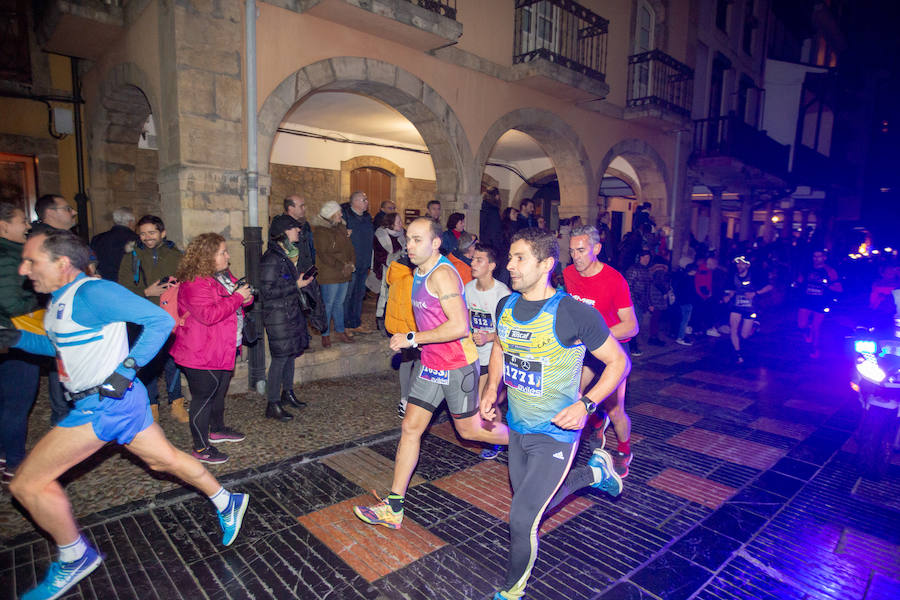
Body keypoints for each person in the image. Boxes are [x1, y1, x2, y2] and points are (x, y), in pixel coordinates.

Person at [1, 230, 248, 599]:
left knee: (27, 484)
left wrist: (126, 369)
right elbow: (59, 346)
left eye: (32, 261)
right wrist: (16, 339)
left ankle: (73, 557)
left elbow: (160, 321)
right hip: (112, 403)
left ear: (62, 263)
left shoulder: (94, 292)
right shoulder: (58, 300)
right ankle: (228, 501)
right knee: (165, 462)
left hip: (105, 404)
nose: (24, 269)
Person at [484, 228, 629, 600]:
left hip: (556, 433)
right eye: (510, 257)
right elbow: (500, 348)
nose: (510, 266)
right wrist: (491, 389)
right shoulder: (506, 305)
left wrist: (586, 404)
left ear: (546, 264)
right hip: (517, 427)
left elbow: (618, 363)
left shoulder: (573, 313)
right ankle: (596, 472)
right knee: (536, 499)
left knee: (521, 518)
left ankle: (510, 593)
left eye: (520, 259)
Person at [353, 217, 510, 528]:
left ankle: (530, 440)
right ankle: (394, 506)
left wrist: (412, 338)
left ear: (436, 243)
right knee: (410, 428)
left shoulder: (443, 275)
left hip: (456, 366)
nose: (409, 245)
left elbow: (458, 326)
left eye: (416, 240)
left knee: (470, 431)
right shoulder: (418, 272)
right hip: (430, 365)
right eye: (408, 239)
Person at [171, 233, 253, 464]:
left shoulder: (221, 276)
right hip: (199, 351)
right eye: (222, 252)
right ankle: (201, 448)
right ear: (207, 257)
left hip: (223, 347)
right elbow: (208, 315)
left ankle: (216, 430)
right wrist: (238, 297)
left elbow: (240, 299)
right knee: (204, 397)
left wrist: (244, 296)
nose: (228, 255)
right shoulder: (194, 282)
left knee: (219, 391)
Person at [564, 225, 639, 476]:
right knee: (571, 395)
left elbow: (631, 326)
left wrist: (594, 337)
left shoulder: (614, 279)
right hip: (584, 352)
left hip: (612, 354)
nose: (576, 256)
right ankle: (589, 426)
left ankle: (624, 449)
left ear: (596, 249)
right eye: (572, 251)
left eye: (582, 250)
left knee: (616, 409)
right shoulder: (568, 274)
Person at [118, 215, 187, 423]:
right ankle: (151, 407)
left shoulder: (176, 255)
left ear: (162, 233)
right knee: (146, 362)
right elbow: (122, 288)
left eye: (152, 232)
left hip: (170, 317)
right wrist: (146, 292)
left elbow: (187, 282)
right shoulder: (131, 257)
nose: (147, 237)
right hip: (143, 318)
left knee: (173, 361)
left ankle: (177, 404)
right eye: (143, 233)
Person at [0, 201, 41, 484]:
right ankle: (14, 463)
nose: (27, 226)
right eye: (21, 221)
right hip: (15, 335)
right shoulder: (7, 257)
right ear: (3, 226)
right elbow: (11, 302)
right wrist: (38, 301)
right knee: (16, 401)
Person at [260, 216, 315, 421]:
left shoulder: (285, 254)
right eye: (294, 228)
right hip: (277, 316)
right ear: (284, 231)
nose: (298, 231)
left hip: (289, 312)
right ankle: (272, 404)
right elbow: (266, 291)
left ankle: (287, 393)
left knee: (290, 354)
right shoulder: (271, 258)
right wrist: (296, 285)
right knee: (280, 358)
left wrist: (299, 282)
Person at [464, 243, 510, 460]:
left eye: (479, 260)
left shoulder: (502, 293)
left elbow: (509, 331)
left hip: (495, 356)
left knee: (486, 400)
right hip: (474, 355)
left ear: (491, 265)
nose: (473, 263)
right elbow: (465, 320)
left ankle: (499, 440)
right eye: (473, 259)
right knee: (483, 400)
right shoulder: (468, 289)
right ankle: (502, 436)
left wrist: (488, 337)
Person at [312, 201, 356, 347]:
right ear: (330, 214)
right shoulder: (320, 231)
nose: (341, 214)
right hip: (329, 272)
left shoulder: (341, 227)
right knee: (328, 304)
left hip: (344, 271)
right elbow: (324, 253)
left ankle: (340, 330)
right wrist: (342, 265)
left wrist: (351, 262)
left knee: (339, 303)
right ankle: (325, 333)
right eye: (338, 212)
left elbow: (349, 247)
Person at [383, 254, 418, 419]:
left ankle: (405, 399)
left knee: (406, 362)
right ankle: (408, 400)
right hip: (410, 330)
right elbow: (409, 309)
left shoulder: (397, 273)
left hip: (398, 327)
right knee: (418, 363)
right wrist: (416, 333)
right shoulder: (409, 278)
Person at [723, 255, 772, 364]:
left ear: (747, 265)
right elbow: (731, 290)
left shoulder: (755, 277)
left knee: (744, 335)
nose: (739, 265)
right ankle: (738, 353)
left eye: (742, 263)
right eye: (738, 263)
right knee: (733, 329)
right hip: (736, 306)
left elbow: (769, 287)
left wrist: (755, 293)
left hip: (749, 308)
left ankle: (755, 326)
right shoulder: (733, 276)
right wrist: (728, 296)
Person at [797, 249, 841, 358]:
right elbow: (799, 281)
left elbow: (838, 287)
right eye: (814, 256)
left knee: (816, 327)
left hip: (821, 302)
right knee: (801, 324)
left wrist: (828, 287)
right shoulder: (807, 269)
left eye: (819, 256)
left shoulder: (830, 271)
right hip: (806, 300)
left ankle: (814, 348)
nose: (816, 259)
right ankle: (807, 331)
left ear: (824, 258)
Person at [342, 191, 374, 333]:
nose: (366, 202)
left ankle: (356, 323)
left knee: (359, 295)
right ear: (353, 202)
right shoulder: (346, 217)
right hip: (351, 263)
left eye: (366, 200)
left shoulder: (367, 218)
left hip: (364, 262)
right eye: (363, 200)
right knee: (348, 295)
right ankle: (344, 325)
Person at [373, 212, 406, 332]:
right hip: (385, 270)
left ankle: (393, 321)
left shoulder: (402, 234)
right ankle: (381, 320)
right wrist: (395, 258)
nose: (401, 224)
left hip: (400, 271)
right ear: (391, 224)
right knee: (384, 296)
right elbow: (380, 255)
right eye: (398, 222)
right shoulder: (380, 235)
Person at [89, 207, 138, 281]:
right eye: (135, 222)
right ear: (130, 222)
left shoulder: (97, 238)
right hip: (127, 285)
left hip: (102, 283)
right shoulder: (137, 239)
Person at [625, 250, 652, 357]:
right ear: (640, 257)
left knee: (637, 323)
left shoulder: (646, 270)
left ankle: (631, 345)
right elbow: (629, 286)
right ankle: (632, 346)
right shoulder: (634, 269)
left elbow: (647, 288)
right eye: (645, 257)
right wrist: (633, 300)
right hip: (633, 300)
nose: (646, 260)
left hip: (641, 301)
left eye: (648, 258)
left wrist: (648, 302)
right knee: (634, 323)